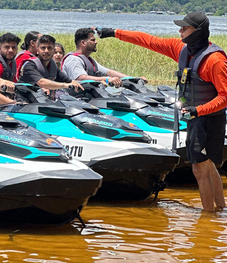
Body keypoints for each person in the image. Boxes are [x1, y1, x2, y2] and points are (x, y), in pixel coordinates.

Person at [96, 12, 227, 211]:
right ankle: (220, 213)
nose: (180, 31)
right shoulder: (181, 49)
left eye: (185, 28)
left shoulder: (215, 60)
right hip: (195, 117)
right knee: (206, 164)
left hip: (209, 119)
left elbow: (224, 97)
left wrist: (198, 110)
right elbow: (148, 41)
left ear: (198, 32)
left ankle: (208, 219)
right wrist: (114, 33)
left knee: (199, 168)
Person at [61, 28, 144, 87]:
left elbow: (109, 72)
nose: (96, 42)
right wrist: (107, 79)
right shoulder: (73, 60)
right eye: (93, 40)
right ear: (83, 43)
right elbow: (81, 78)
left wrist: (134, 79)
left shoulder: (90, 60)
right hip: (75, 99)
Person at [17, 34, 82, 98]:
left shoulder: (53, 65)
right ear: (37, 50)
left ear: (54, 50)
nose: (46, 51)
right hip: (25, 104)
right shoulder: (30, 65)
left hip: (45, 103)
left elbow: (67, 80)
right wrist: (66, 85)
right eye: (43, 48)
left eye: (49, 48)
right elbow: (42, 82)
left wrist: (78, 84)